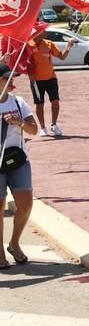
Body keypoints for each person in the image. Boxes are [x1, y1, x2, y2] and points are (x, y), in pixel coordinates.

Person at [0, 63, 39, 269]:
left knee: (25, 205)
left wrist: (19, 122)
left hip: (17, 160)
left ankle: (14, 243)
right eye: (7, 78)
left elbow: (34, 130)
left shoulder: (19, 102)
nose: (12, 81)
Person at [28, 29, 75, 136]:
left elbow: (62, 57)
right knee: (39, 105)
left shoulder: (49, 44)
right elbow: (24, 63)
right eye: (43, 31)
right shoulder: (28, 45)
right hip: (36, 81)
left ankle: (54, 125)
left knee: (55, 102)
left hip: (51, 78)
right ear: (37, 33)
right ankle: (43, 128)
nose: (45, 33)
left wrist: (69, 46)